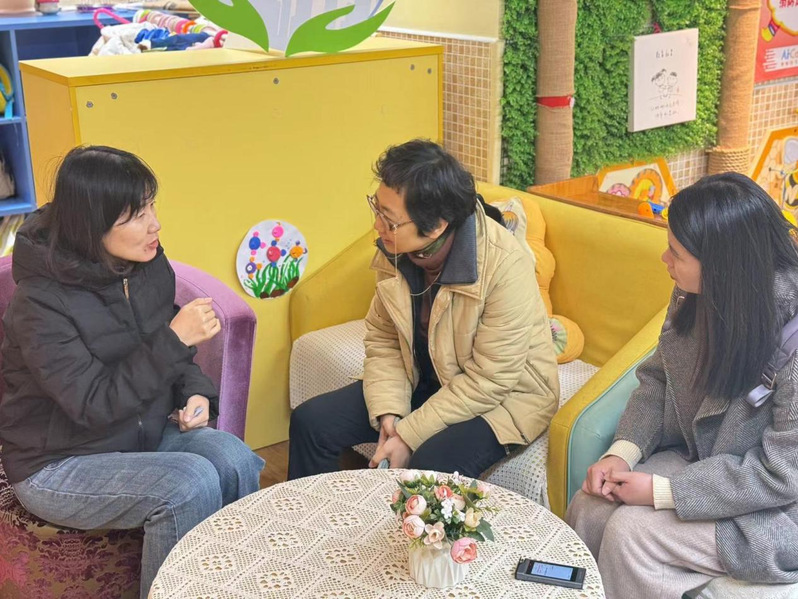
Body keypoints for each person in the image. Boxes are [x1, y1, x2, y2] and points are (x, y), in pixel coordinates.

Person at [0, 146, 264, 598]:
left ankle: (231, 585)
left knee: (233, 458)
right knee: (188, 483)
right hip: (57, 461)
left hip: (135, 432)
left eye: (151, 205)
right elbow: (92, 404)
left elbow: (166, 346)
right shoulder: (39, 304)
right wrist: (176, 340)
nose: (155, 224)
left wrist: (195, 393)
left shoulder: (143, 264)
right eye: (137, 215)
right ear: (92, 224)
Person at [567, 172, 798, 597]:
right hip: (707, 463)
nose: (664, 259)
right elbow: (660, 378)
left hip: (774, 507)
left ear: (722, 267)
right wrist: (622, 453)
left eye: (676, 252)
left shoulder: (792, 339)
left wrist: (666, 491)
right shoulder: (696, 295)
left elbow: (783, 474)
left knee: (632, 534)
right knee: (590, 506)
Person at [288, 139, 559, 479]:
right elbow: (385, 339)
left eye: (389, 220)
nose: (377, 227)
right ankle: (316, 512)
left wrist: (408, 434)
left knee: (430, 462)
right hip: (428, 377)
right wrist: (389, 411)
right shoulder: (396, 249)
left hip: (505, 397)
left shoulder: (504, 264)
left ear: (436, 226)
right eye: (376, 209)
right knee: (312, 422)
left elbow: (491, 379)